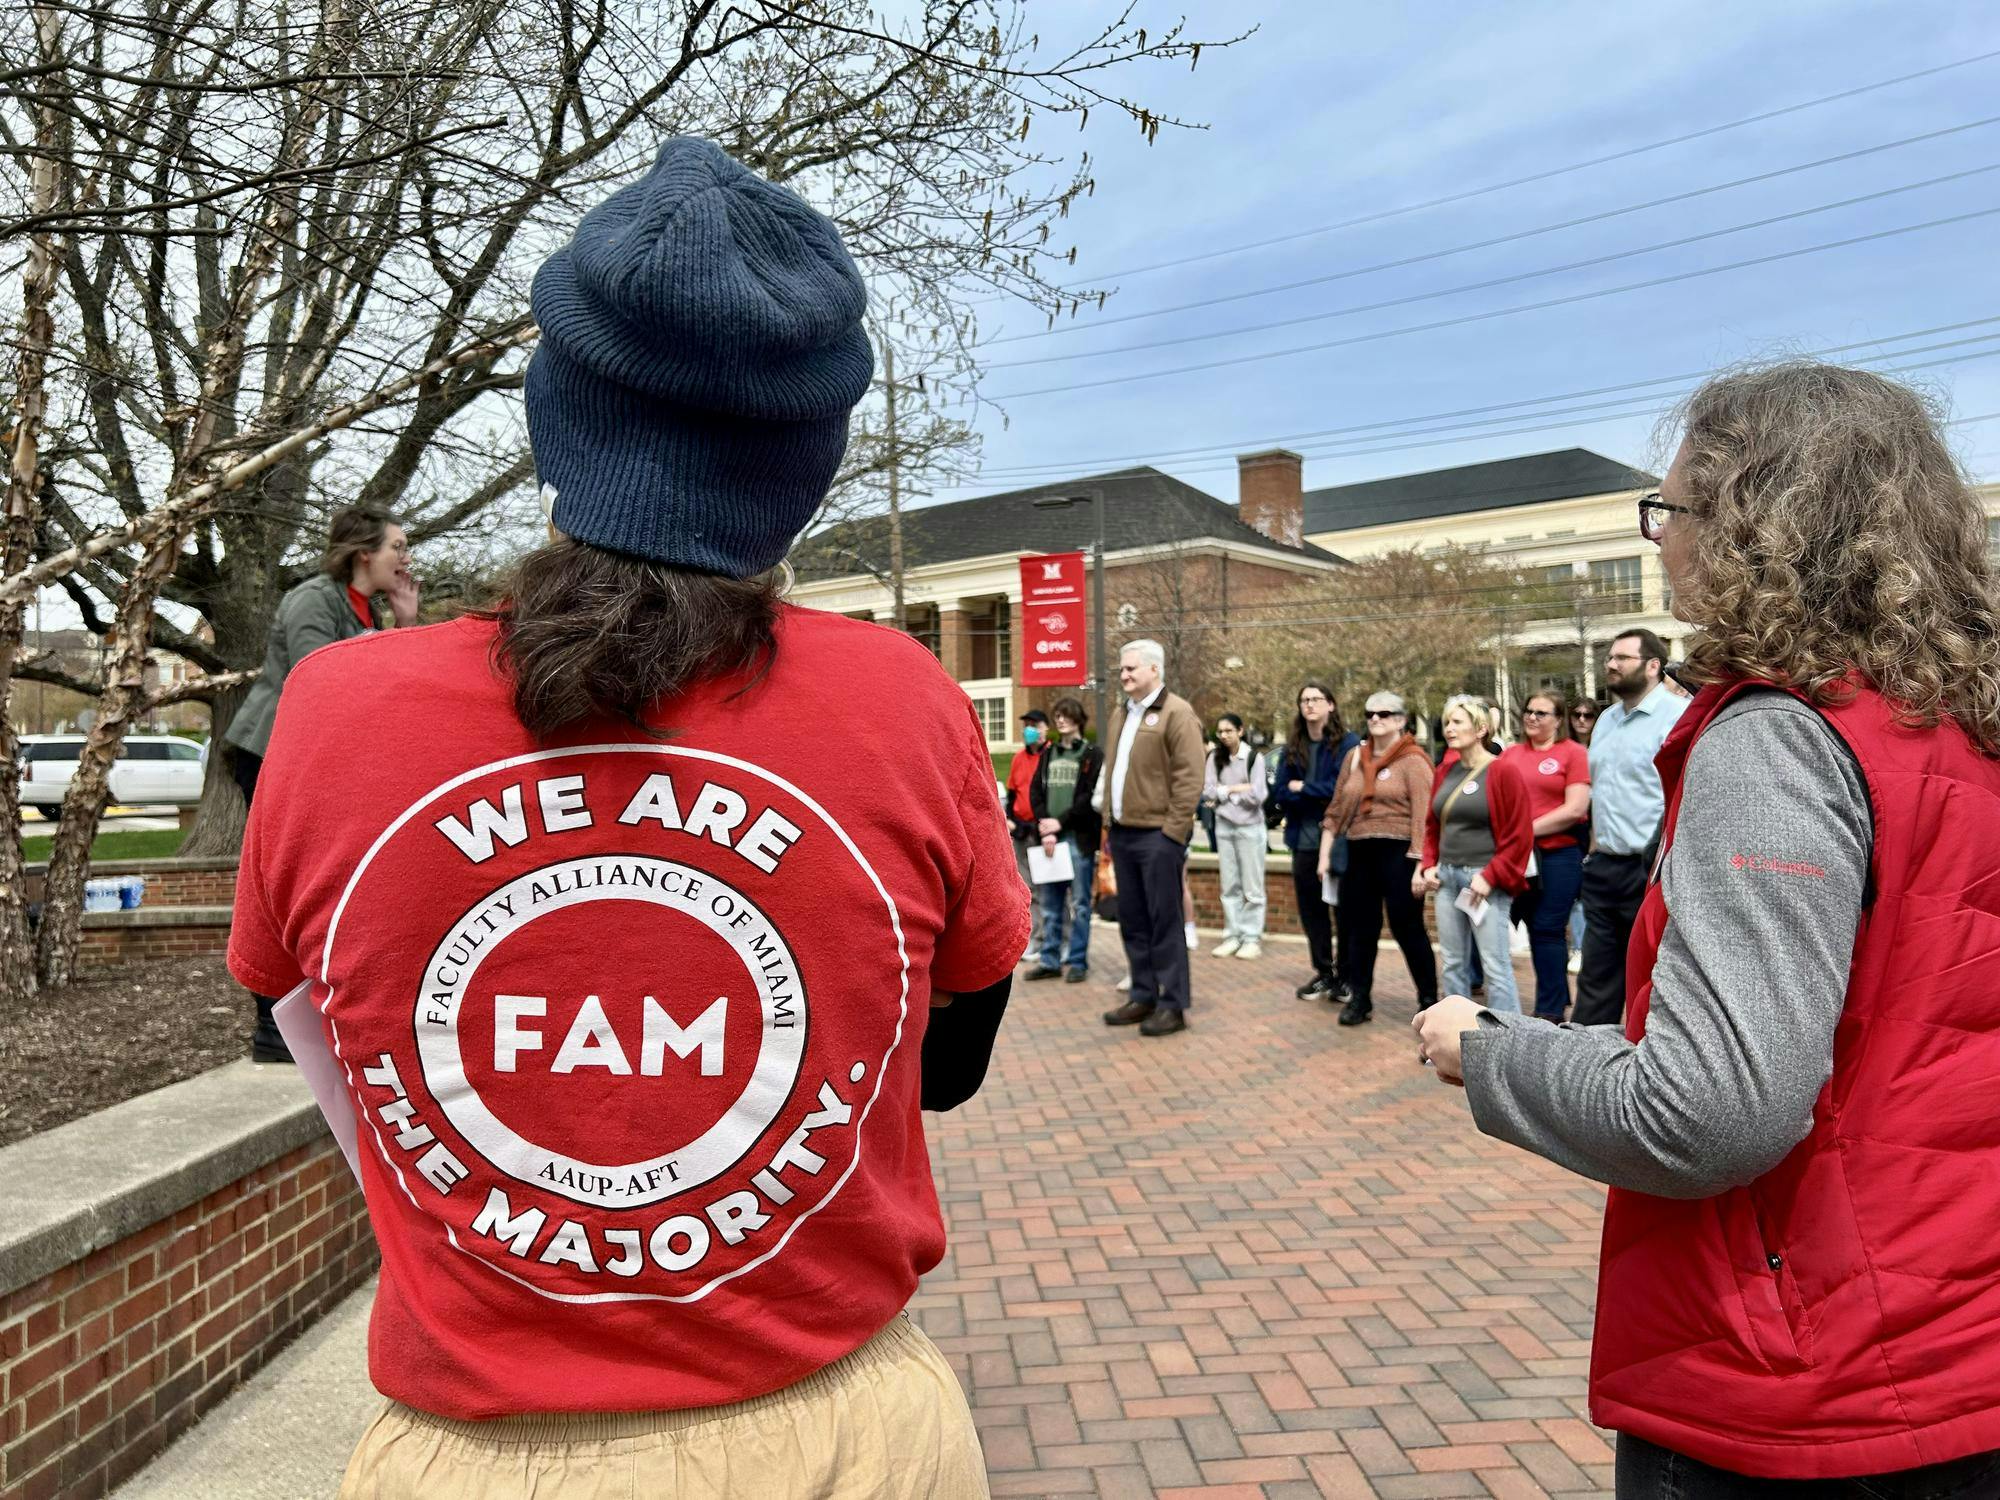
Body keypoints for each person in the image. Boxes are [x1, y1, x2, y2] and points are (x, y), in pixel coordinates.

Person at [228, 137, 1026, 1500]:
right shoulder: (906, 702)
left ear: (556, 415)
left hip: (476, 1455)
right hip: (847, 1439)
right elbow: (943, 1066)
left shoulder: (335, 710)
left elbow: (301, 1033)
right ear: (809, 461)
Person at [1416, 361, 2000, 1496]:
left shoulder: (1778, 737)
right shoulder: (1962, 731)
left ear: (1749, 523)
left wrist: (1491, 1052)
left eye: (1668, 509)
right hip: (1955, 1335)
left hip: (1796, 1370)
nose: (1657, 539)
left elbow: (1709, 1109)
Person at [225, 505, 420, 1064]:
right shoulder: (315, 598)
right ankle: (270, 1027)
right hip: (270, 753)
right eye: (398, 548)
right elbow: (323, 678)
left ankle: (300, 1022)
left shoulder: (366, 610)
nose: (406, 560)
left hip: (314, 759)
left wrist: (406, 624)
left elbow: (387, 689)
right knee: (282, 883)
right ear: (365, 554)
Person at [1573, 630, 1689, 1026]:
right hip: (1604, 867)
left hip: (1650, 872)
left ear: (1653, 666)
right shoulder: (1604, 720)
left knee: (1653, 979)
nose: (1611, 664)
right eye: (1609, 657)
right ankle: (1582, 1069)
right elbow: (1601, 793)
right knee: (1596, 976)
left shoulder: (1678, 718)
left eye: (1622, 657)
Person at [1096, 639, 1204, 1037]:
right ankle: (1143, 995)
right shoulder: (1121, 714)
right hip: (1123, 835)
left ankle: (1172, 1005)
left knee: (1165, 921)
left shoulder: (1178, 713)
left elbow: (1190, 778)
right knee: (1134, 920)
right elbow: (1114, 772)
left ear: (1154, 670)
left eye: (1131, 669)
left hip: (1158, 837)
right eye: (1122, 669)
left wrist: (1172, 834)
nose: (1123, 675)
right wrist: (1109, 824)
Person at [1321, 690, 1437, 1025]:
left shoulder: (1413, 760)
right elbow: (1339, 806)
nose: (1374, 719)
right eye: (1370, 714)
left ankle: (1428, 1000)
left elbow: (1424, 816)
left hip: (1398, 852)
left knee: (1407, 927)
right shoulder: (1356, 758)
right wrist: (1325, 853)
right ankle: (1360, 998)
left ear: (1400, 720)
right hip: (1359, 850)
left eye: (1383, 714)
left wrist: (1420, 863)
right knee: (1360, 929)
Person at [1417, 695, 1532, 1016]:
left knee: (1495, 966)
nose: (1449, 728)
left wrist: (1490, 877)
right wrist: (1428, 864)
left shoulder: (1503, 771)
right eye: (1447, 722)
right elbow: (1432, 825)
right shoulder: (1445, 771)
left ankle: (1506, 1038)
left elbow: (1519, 835)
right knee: (1453, 963)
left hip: (1483, 879)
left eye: (1457, 722)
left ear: (1480, 728)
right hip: (1448, 878)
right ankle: (1456, 1036)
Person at [1500, 692, 1591, 1021]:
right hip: (1519, 857)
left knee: (1548, 927)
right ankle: (1556, 993)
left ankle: (1550, 1009)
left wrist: (1526, 828)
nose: (1532, 717)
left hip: (1560, 854)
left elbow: (1576, 808)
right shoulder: (1511, 755)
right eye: (1528, 711)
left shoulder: (1573, 753)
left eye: (1541, 712)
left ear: (1558, 718)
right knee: (1527, 923)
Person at [1269, 682, 1357, 1004]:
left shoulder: (1347, 744)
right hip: (1302, 841)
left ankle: (1346, 977)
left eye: (1316, 699)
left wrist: (1301, 787)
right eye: (1304, 699)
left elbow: (1340, 789)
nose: (1309, 705)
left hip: (1340, 841)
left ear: (1331, 705)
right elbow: (1278, 791)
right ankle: (1324, 972)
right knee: (1311, 912)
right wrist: (1305, 790)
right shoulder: (1294, 746)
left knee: (1344, 911)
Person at [1027, 696, 1102, 983]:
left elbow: (1089, 798)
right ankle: (1050, 959)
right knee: (1050, 903)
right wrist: (1046, 825)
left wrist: (1062, 822)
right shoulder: (1049, 754)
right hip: (1050, 839)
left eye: (1066, 715)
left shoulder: (1092, 754)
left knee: (1081, 903)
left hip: (1077, 839)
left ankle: (1077, 960)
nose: (1060, 720)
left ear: (1079, 719)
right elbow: (1036, 791)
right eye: (1057, 715)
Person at [1202, 713, 1268, 960]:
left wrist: (1225, 792)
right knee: (1229, 885)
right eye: (1221, 731)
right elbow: (1208, 790)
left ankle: (1251, 937)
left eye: (1229, 730)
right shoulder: (1214, 758)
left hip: (1250, 827)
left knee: (1252, 886)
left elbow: (1258, 795)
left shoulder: (1253, 758)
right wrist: (1237, 790)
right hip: (1224, 826)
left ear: (1240, 731)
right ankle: (1232, 934)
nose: (1224, 735)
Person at [1004, 709, 1049, 963]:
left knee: (1046, 890)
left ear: (1045, 728)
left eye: (1034, 724)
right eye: (1027, 725)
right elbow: (1012, 794)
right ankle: (1033, 939)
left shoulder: (1049, 756)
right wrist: (1011, 819)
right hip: (1021, 830)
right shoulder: (1019, 758)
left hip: (1042, 832)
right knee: (1028, 888)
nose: (1029, 729)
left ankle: (1048, 939)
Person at [1565, 698, 1600, 973]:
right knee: (1576, 893)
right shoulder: (1566, 750)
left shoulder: (1601, 747)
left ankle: (1586, 947)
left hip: (1596, 826)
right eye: (1577, 714)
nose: (1582, 720)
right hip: (1572, 827)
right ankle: (1578, 947)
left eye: (1588, 715)